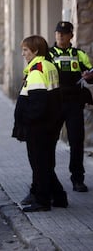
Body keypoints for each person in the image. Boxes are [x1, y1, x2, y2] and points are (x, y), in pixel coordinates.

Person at [13, 35, 68, 212]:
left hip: (39, 127)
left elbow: (37, 104)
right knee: (45, 163)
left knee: (39, 164)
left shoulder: (37, 70)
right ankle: (58, 197)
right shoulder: (49, 65)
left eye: (26, 50)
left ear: (35, 51)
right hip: (49, 125)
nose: (23, 54)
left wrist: (27, 122)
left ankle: (42, 201)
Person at [49, 21, 93, 192]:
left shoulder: (78, 54)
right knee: (50, 140)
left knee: (76, 141)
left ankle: (77, 179)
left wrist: (88, 76)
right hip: (54, 103)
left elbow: (90, 74)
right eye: (58, 32)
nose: (60, 35)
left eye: (64, 33)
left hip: (74, 103)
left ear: (71, 36)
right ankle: (48, 177)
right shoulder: (49, 54)